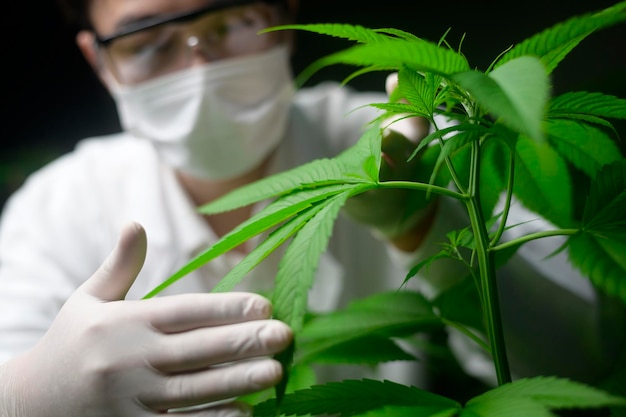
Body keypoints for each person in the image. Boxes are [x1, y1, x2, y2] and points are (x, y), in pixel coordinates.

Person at [0, 0, 623, 416]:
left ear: (282, 17)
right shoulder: (56, 210)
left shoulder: (391, 146)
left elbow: (577, 362)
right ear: (97, 58)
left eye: (228, 19)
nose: (198, 64)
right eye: (146, 41)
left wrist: (427, 224)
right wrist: (34, 395)